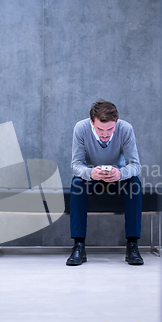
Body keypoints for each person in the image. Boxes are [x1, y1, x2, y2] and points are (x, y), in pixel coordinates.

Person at [67, 100, 144, 266]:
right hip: (92, 176)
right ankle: (79, 246)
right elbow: (76, 165)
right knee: (77, 185)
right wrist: (90, 173)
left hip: (118, 177)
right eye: (100, 129)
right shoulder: (81, 128)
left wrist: (120, 173)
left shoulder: (125, 129)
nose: (105, 134)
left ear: (116, 123)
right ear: (91, 121)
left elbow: (135, 165)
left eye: (110, 129)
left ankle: (132, 245)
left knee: (135, 184)